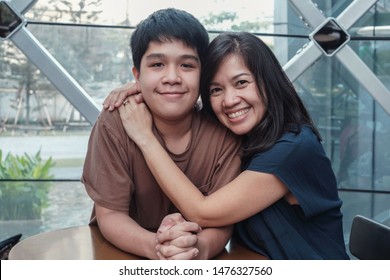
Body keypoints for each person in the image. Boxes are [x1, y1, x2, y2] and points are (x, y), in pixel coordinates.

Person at [107, 32, 350, 260]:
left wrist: (145, 138)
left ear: (268, 81)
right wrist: (143, 88)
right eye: (216, 89)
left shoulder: (293, 148)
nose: (230, 100)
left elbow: (203, 211)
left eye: (241, 82)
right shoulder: (243, 138)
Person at [82, 9, 242, 260]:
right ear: (137, 76)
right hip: (123, 256)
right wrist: (157, 247)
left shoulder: (224, 134)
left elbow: (222, 222)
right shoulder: (114, 123)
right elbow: (111, 215)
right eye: (157, 65)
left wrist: (196, 249)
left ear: (204, 75)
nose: (172, 78)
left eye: (187, 65)